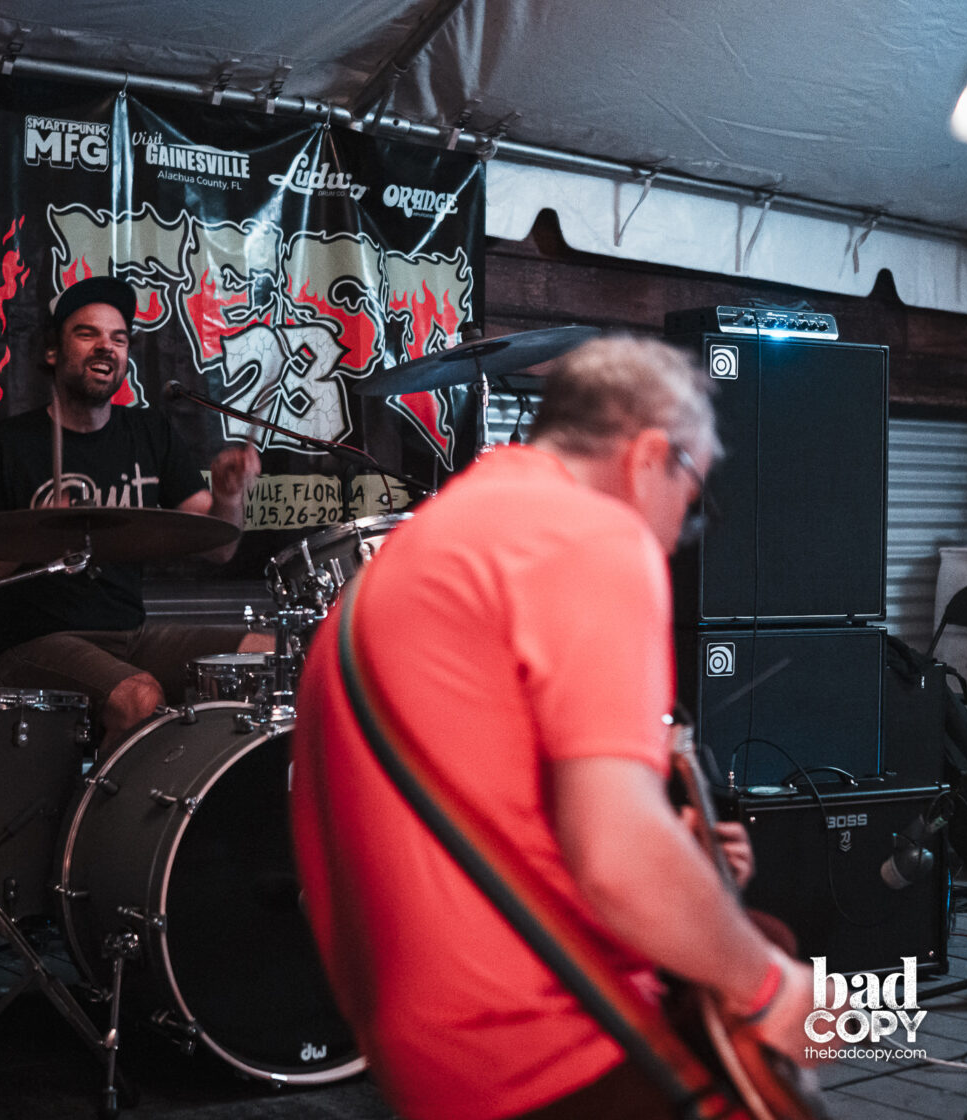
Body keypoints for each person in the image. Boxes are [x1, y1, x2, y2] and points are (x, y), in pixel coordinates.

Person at [289, 335, 818, 1120]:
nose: (677, 533)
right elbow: (619, 858)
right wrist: (777, 992)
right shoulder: (589, 534)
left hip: (425, 1059)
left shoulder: (410, 557)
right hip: (553, 1047)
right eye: (693, 497)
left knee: (756, 928)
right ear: (650, 457)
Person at [0, 274, 265, 745]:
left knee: (269, 654)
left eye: (118, 338)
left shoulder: (149, 433)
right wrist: (37, 536)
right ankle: (104, 798)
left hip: (132, 636)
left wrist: (229, 497)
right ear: (53, 352)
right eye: (87, 333)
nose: (106, 347)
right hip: (33, 645)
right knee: (139, 697)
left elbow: (219, 548)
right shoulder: (5, 445)